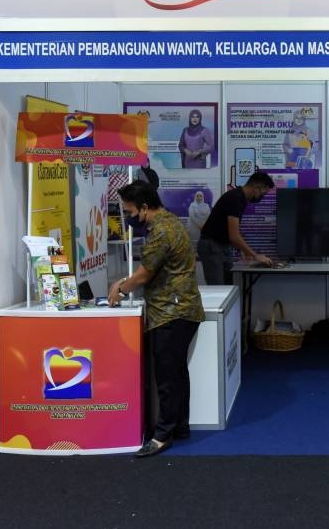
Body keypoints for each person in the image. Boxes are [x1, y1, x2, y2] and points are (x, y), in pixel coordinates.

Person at [107, 180, 204, 458]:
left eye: (130, 211)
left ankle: (162, 436)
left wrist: (120, 288)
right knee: (177, 373)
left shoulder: (161, 231)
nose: (129, 217)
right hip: (182, 309)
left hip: (170, 313)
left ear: (145, 207)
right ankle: (179, 426)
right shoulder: (171, 221)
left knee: (166, 377)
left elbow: (145, 274)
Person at [197, 171, 274, 284]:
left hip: (223, 245)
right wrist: (255, 256)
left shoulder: (241, 198)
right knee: (218, 291)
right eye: (263, 193)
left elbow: (227, 230)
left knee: (228, 289)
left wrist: (241, 249)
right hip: (212, 247)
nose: (262, 197)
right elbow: (234, 236)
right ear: (256, 187)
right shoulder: (235, 198)